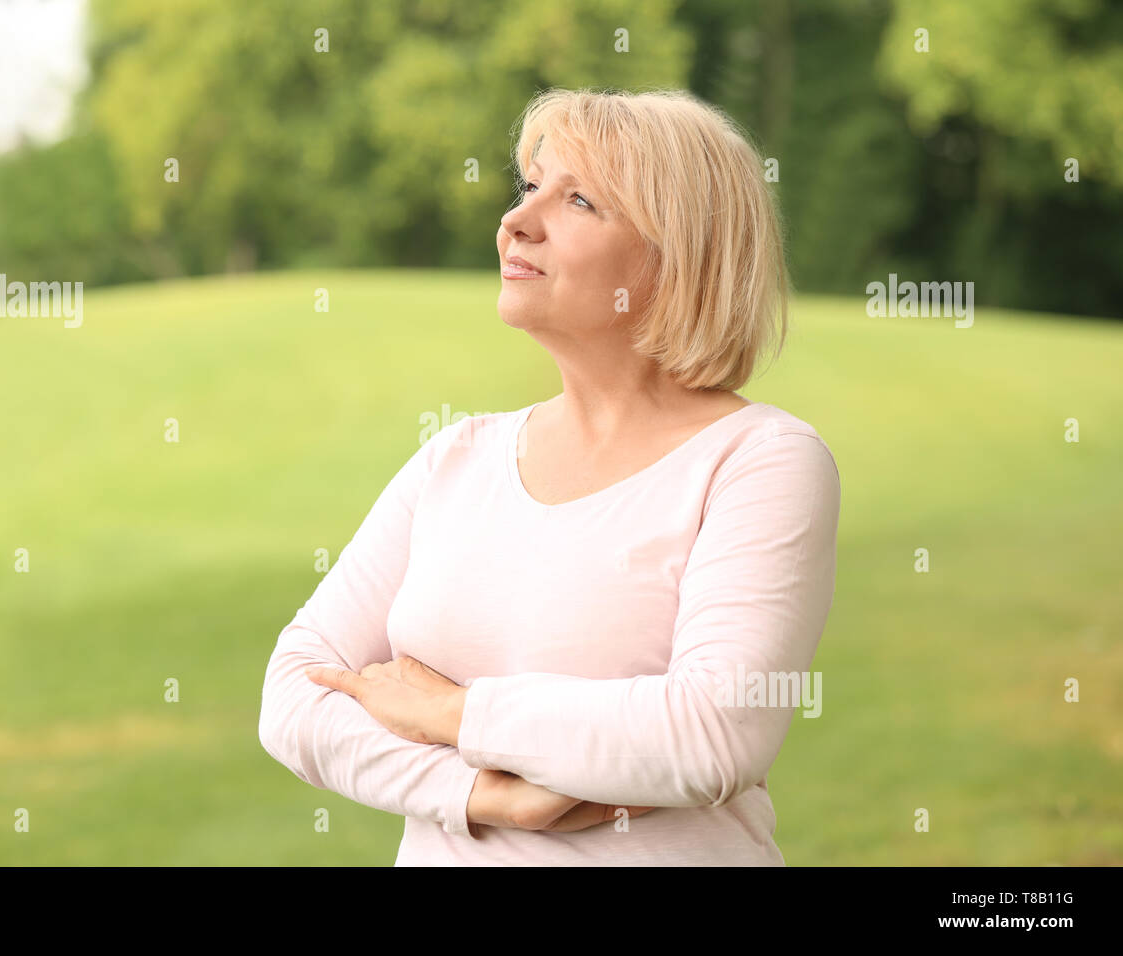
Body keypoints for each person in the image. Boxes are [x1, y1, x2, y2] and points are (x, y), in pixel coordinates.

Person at [259, 87, 841, 865]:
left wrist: (455, 714)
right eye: (529, 188)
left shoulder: (760, 461)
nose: (516, 221)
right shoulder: (455, 457)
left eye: (578, 201)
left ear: (679, 255)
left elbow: (712, 735)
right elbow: (296, 693)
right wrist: (482, 795)